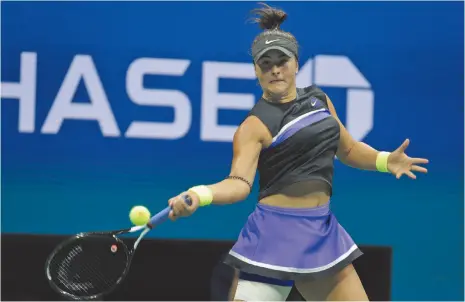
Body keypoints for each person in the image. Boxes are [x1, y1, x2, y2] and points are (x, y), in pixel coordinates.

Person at [168, 3, 429, 301]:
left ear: (296, 64)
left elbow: (349, 149)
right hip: (272, 237)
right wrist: (200, 194)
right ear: (256, 70)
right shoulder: (253, 125)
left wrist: (385, 160)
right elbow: (239, 184)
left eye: (282, 60)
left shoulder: (320, 100)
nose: (275, 69)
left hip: (321, 233)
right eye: (266, 63)